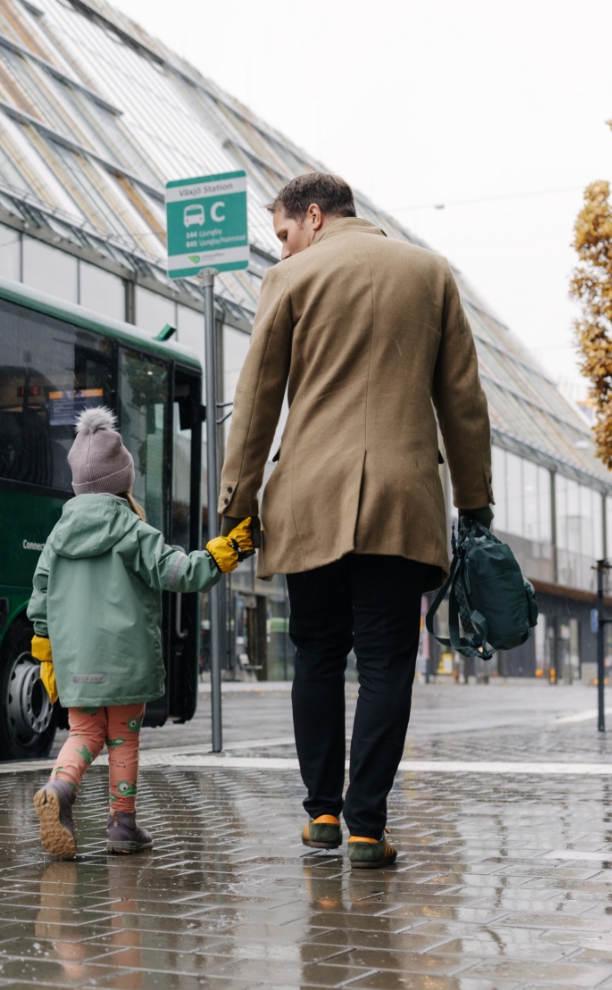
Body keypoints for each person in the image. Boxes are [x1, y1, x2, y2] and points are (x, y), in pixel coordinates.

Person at [219, 172, 492, 869]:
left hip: (309, 498)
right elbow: (462, 402)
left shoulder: (290, 282)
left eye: (282, 234)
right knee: (385, 664)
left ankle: (320, 816)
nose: (281, 250)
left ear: (312, 217)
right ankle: (367, 826)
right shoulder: (429, 275)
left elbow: (255, 404)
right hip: (402, 502)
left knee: (315, 655)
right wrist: (474, 505)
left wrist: (235, 504)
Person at [27, 406, 251, 859]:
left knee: (84, 734)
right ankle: (122, 825)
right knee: (123, 737)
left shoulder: (56, 536)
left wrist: (46, 657)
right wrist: (224, 553)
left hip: (77, 663)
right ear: (122, 482)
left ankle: (60, 787)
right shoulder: (131, 528)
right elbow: (179, 573)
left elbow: (40, 603)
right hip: (125, 661)